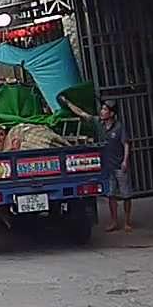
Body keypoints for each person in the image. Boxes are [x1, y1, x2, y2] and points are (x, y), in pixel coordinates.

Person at [61, 96, 132, 232]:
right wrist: (68, 103)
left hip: (119, 165)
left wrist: (125, 161)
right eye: (102, 109)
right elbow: (81, 113)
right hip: (107, 167)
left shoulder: (119, 127)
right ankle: (114, 221)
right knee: (111, 195)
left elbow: (126, 144)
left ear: (111, 113)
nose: (102, 111)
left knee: (126, 195)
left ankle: (127, 222)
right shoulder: (98, 123)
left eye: (105, 110)